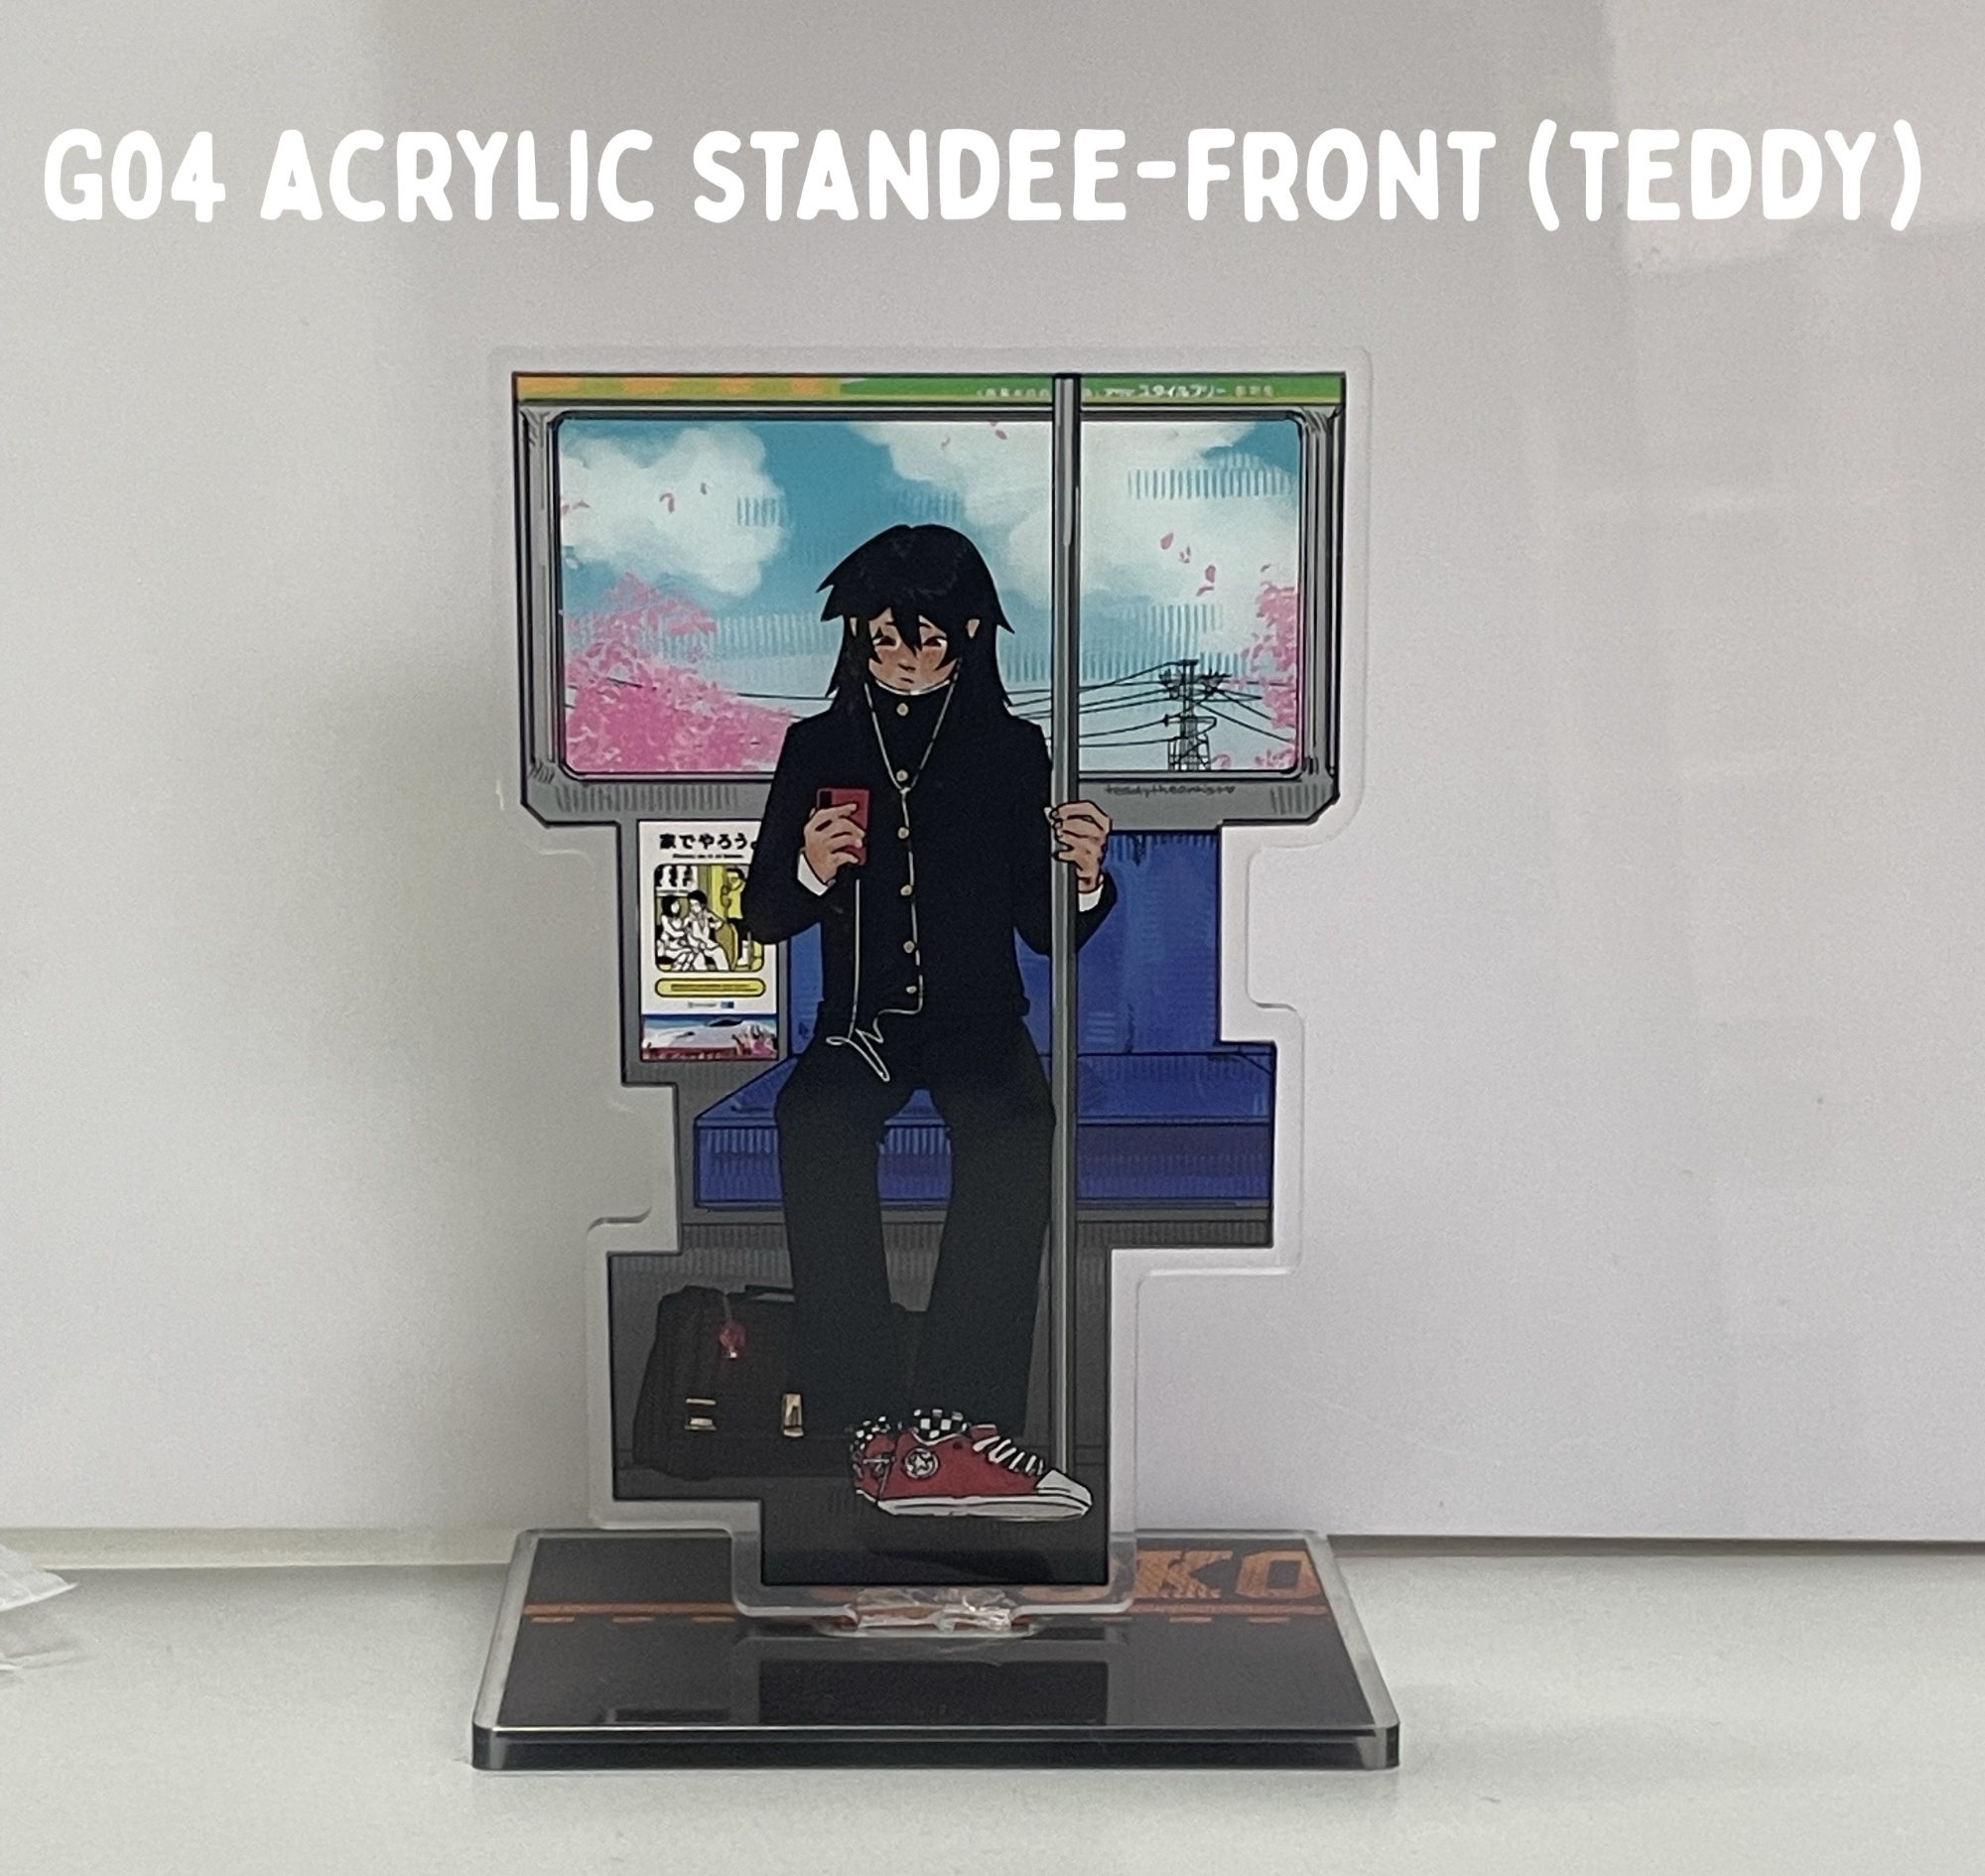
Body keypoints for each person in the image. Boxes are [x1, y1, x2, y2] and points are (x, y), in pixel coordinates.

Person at [740, 524, 1114, 1520]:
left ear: (970, 637)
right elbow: (761, 915)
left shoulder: (1010, 750)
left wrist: (1083, 880)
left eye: (929, 640)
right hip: (858, 1022)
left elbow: (1040, 931)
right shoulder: (815, 747)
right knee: (812, 1123)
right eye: (883, 639)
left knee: (1017, 1128)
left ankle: (957, 1425)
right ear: (857, 636)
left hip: (976, 1016)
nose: (904, 660)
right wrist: (811, 867)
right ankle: (867, 1425)